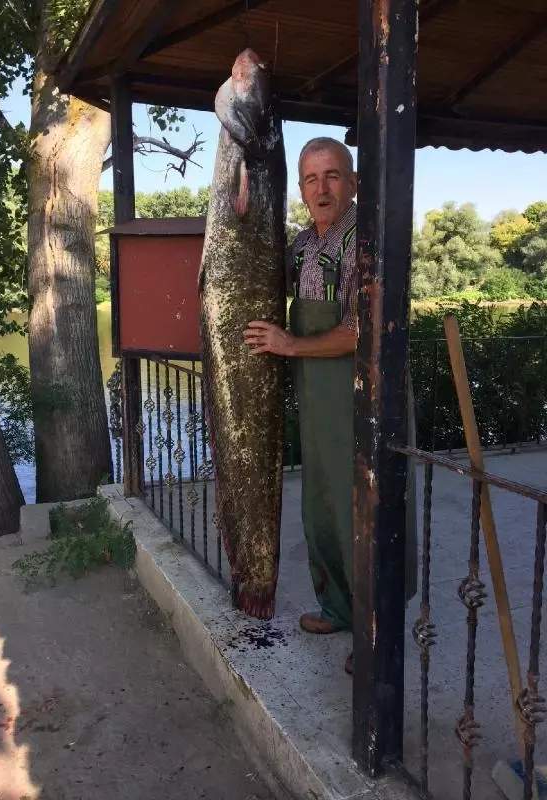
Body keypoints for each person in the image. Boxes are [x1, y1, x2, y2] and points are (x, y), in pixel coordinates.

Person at [243, 137, 417, 674]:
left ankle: (377, 631)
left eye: (333, 176)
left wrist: (290, 344)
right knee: (321, 504)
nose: (321, 189)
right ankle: (338, 608)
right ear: (299, 188)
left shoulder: (367, 242)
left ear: (354, 181)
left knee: (365, 510)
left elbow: (361, 330)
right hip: (318, 401)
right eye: (310, 179)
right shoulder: (300, 247)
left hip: (366, 397)